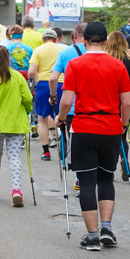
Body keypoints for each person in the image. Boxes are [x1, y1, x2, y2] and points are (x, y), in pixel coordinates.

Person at [57, 22, 130, 251]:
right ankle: (107, 228)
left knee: (87, 181)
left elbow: (67, 101)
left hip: (84, 126)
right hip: (110, 127)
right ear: (106, 42)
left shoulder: (75, 64)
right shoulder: (118, 65)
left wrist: (60, 118)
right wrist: (123, 124)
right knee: (106, 179)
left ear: (84, 40)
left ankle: (92, 237)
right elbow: (127, 102)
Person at [0, 45, 33, 207]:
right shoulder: (19, 77)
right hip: (16, 123)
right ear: (9, 59)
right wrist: (27, 110)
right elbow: (27, 99)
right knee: (14, 157)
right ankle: (16, 189)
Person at [50, 22, 87, 196]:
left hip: (72, 107)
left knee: (74, 141)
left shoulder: (65, 53)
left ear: (74, 35)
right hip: (93, 106)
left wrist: (53, 96)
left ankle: (79, 175)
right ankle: (89, 173)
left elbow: (53, 78)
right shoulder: (96, 53)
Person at [106, 31, 130, 181]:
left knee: (109, 136)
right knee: (122, 134)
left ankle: (110, 165)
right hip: (125, 100)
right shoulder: (129, 61)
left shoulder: (105, 60)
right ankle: (124, 161)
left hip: (108, 101)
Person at [29, 28, 65, 157]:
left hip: (44, 84)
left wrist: (32, 76)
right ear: (56, 39)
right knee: (62, 116)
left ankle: (46, 152)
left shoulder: (38, 50)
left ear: (43, 39)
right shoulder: (63, 50)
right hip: (62, 84)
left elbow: (32, 71)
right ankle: (62, 139)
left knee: (42, 119)